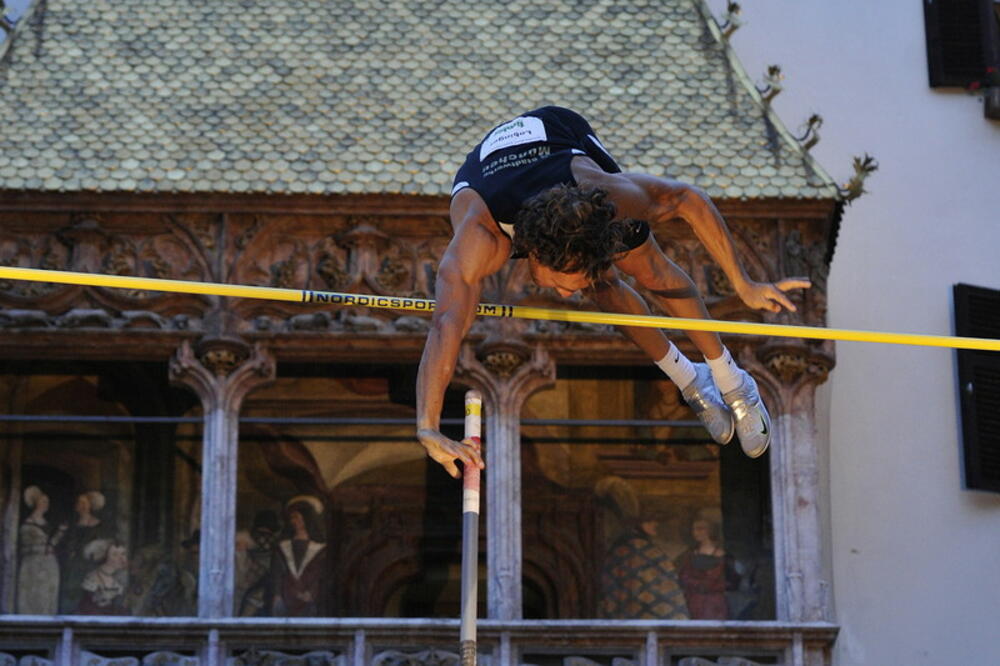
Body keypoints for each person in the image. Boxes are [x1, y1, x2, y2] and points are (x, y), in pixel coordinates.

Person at [416, 106, 809, 476]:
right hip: (489, 175)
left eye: (569, 287)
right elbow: (446, 325)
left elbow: (688, 199)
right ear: (532, 253)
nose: (566, 296)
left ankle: (733, 382)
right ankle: (692, 380)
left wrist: (745, 283)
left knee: (649, 269)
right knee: (603, 290)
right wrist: (428, 427)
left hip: (562, 136)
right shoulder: (481, 235)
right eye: (560, 282)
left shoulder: (609, 195)